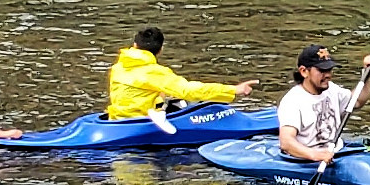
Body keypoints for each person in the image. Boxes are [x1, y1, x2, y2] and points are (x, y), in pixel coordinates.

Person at [106, 27, 258, 120]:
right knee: (192, 102)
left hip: (117, 117)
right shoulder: (155, 72)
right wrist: (233, 90)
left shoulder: (119, 66)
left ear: (134, 45)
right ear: (161, 50)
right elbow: (189, 91)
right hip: (140, 120)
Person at [277, 44, 370, 163]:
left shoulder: (332, 90)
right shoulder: (292, 101)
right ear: (304, 71)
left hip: (338, 154)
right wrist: (316, 155)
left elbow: (357, 101)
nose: (328, 75)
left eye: (329, 69)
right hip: (308, 162)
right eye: (322, 70)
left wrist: (367, 74)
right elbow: (286, 142)